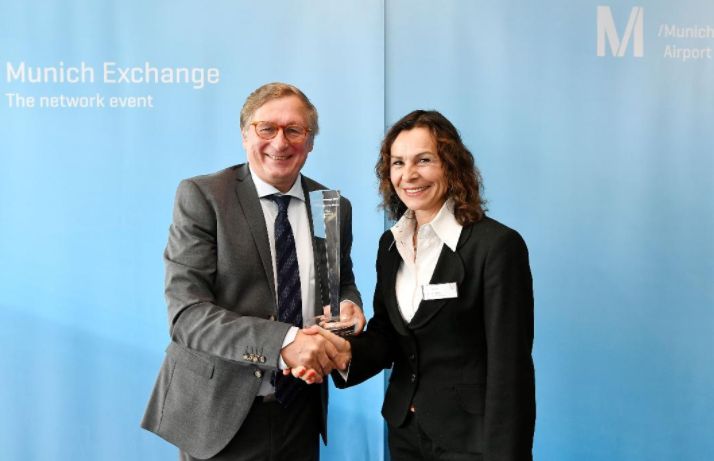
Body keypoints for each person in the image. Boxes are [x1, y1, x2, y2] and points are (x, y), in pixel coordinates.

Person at [141, 82, 364, 461]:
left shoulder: (331, 205)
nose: (280, 142)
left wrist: (348, 303)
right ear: (245, 135)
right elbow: (187, 316)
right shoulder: (204, 196)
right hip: (220, 414)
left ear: (310, 141)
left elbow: (340, 281)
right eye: (267, 128)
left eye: (294, 130)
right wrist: (285, 343)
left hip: (301, 411)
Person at [294, 109, 535, 460]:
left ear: (451, 166)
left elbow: (510, 368)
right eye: (398, 163)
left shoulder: (496, 246)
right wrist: (343, 353)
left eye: (424, 160)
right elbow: (390, 336)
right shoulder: (391, 244)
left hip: (472, 441)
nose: (408, 175)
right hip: (405, 433)